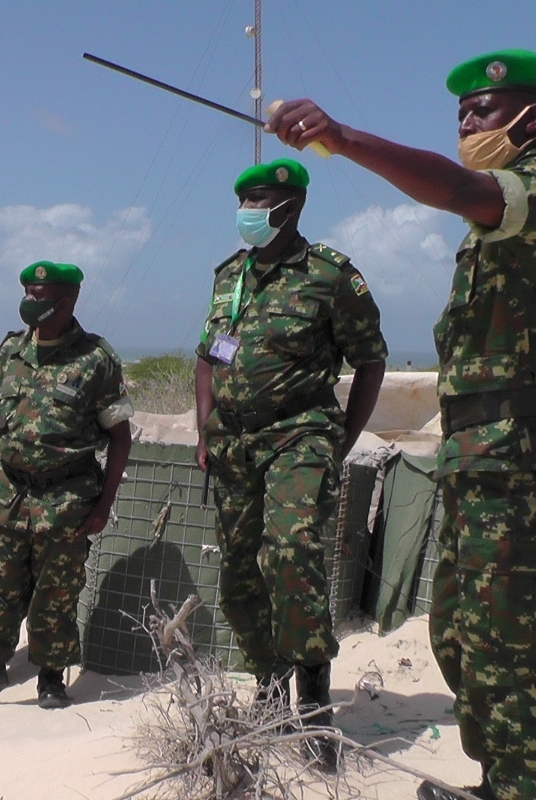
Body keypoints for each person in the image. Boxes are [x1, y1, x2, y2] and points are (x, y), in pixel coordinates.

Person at [266, 50, 536, 800]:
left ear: (532, 118)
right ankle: (497, 779)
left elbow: (455, 188)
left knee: (515, 637)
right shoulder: (500, 221)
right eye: (461, 113)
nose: (467, 122)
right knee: (458, 629)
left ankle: (525, 789)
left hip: (517, 452)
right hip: (480, 451)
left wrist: (343, 139)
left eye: (482, 110)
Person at [194, 159, 387, 770]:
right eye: (244, 199)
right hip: (234, 446)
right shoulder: (230, 277)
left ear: (291, 206)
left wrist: (341, 438)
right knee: (239, 578)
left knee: (290, 552)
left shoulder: (330, 275)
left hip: (299, 437)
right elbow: (207, 355)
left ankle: (313, 703)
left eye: (261, 200)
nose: (248, 210)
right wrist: (204, 425)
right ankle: (269, 689)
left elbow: (371, 360)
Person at [0, 261, 134, 710]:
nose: (29, 302)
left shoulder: (96, 360)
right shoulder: (10, 351)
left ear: (65, 302)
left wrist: (104, 504)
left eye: (39, 295)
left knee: (56, 594)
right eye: (26, 292)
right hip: (7, 496)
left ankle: (50, 681)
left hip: (65, 500)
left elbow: (120, 439)